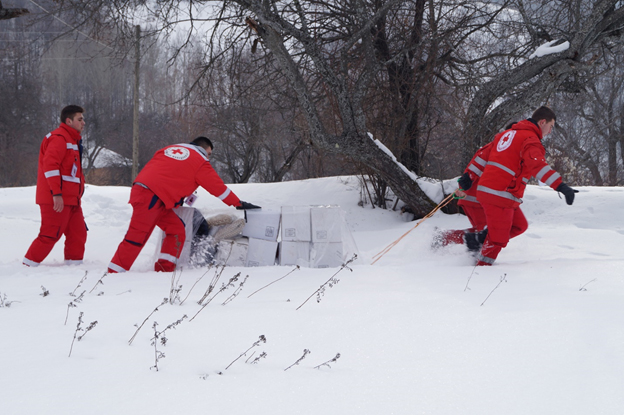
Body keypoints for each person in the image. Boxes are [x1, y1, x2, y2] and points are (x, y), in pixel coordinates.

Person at [107, 136, 260, 273]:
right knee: (137, 237)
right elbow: (218, 188)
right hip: (152, 197)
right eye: (210, 154)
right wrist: (238, 203)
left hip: (152, 195)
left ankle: (164, 269)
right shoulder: (200, 161)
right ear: (204, 150)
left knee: (176, 230)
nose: (209, 158)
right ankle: (114, 273)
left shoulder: (168, 149)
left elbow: (167, 173)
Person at [467, 106, 578, 266]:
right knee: (498, 239)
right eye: (551, 126)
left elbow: (481, 156)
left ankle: (478, 239)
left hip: (497, 193)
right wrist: (561, 186)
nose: (550, 131)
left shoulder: (507, 134)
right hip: (500, 194)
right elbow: (538, 167)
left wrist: (467, 177)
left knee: (519, 226)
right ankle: (481, 271)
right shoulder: (530, 140)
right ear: (542, 122)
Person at [23, 105, 87, 267]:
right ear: (69, 121)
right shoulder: (59, 138)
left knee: (78, 234)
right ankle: (27, 267)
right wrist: (56, 194)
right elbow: (50, 166)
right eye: (80, 119)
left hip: (72, 200)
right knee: (50, 234)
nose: (83, 123)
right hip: (56, 199)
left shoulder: (72, 139)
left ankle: (74, 268)